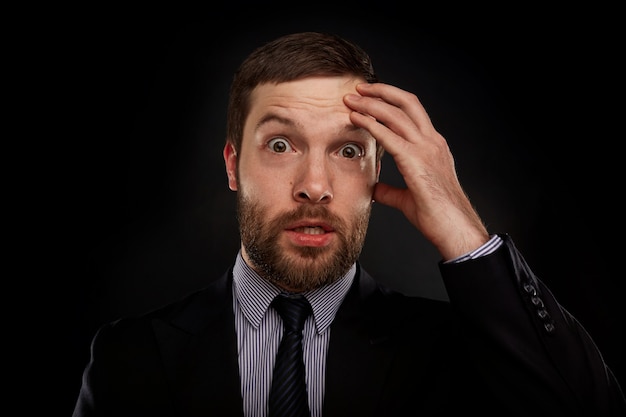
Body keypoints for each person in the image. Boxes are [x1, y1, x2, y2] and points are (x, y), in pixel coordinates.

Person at [72, 31, 626, 417]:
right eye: (282, 144)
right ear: (233, 164)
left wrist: (462, 227)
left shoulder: (452, 350)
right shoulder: (130, 357)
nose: (314, 185)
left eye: (347, 150)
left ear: (379, 169)